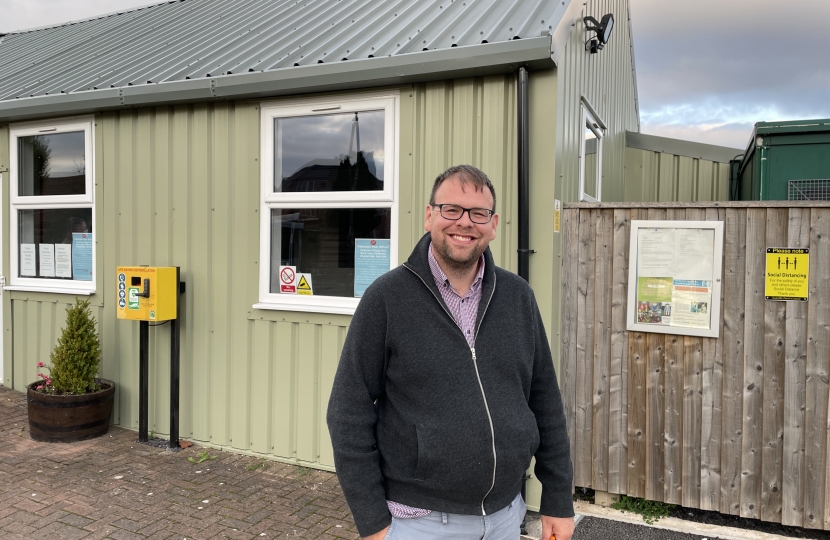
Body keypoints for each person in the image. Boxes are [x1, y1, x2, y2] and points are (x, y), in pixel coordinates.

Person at [326, 165, 575, 540]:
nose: (465, 222)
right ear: (429, 216)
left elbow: (545, 400)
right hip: (419, 521)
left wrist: (557, 497)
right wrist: (373, 521)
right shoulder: (387, 299)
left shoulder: (518, 296)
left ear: (493, 225)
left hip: (507, 516)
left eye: (479, 213)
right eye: (451, 209)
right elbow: (348, 411)